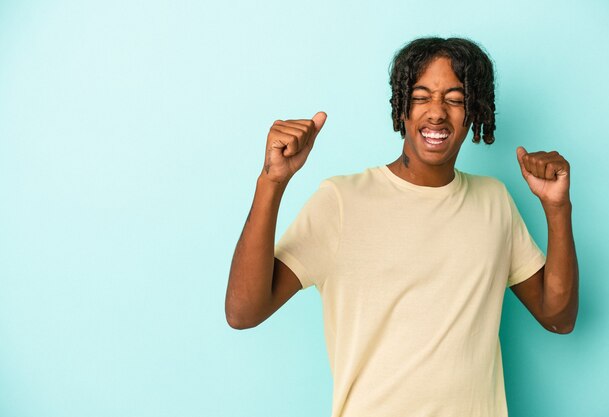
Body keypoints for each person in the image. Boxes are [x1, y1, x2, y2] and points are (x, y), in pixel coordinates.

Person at [225, 37, 579, 417]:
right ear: (402, 107)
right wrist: (271, 183)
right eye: (422, 96)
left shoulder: (494, 201)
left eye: (455, 99)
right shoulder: (342, 201)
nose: (437, 113)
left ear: (474, 110)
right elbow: (244, 312)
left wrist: (557, 208)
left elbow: (557, 318)